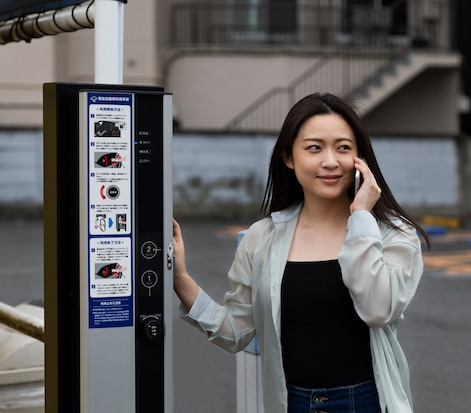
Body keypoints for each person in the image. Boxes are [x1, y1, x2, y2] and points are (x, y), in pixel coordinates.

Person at [172, 93, 430, 413]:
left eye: (343, 148)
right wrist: (181, 280)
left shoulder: (393, 234)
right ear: (289, 157)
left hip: (367, 403)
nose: (330, 161)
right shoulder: (262, 238)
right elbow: (236, 331)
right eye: (314, 147)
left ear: (360, 158)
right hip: (290, 403)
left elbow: (378, 308)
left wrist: (362, 217)